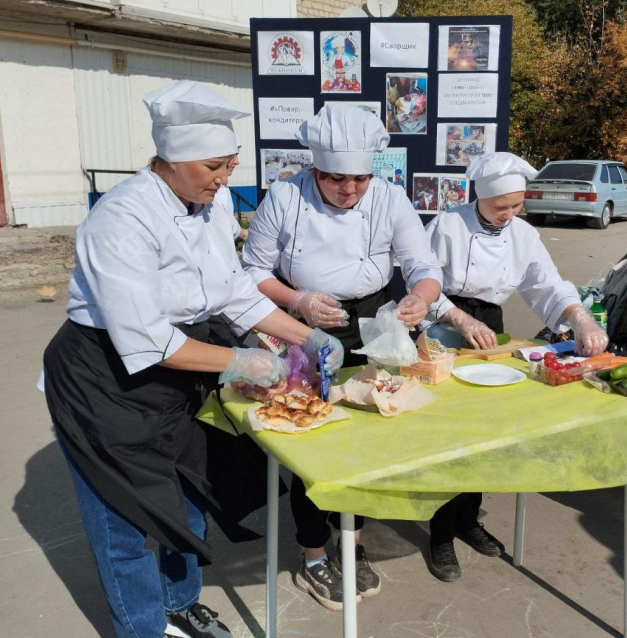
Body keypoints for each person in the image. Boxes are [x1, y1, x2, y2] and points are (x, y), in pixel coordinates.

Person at [43, 80, 343, 638]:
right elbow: (147, 338)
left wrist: (302, 335)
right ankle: (142, 628)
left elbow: (232, 290)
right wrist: (243, 363)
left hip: (181, 371)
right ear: (171, 161)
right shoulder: (122, 217)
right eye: (213, 167)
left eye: (229, 164)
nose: (225, 178)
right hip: (103, 378)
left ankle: (180, 602)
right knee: (122, 520)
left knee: (189, 490)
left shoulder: (213, 202)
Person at [242, 105, 443, 610]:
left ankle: (352, 541)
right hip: (302, 320)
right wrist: (298, 300)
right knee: (310, 436)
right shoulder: (286, 196)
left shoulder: (390, 198)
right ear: (314, 169)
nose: (348, 189)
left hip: (373, 320)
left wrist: (419, 295)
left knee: (368, 430)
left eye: (358, 178)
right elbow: (252, 271)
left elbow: (424, 265)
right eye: (335, 178)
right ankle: (314, 553)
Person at [423, 152, 609, 583]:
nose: (508, 215)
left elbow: (545, 284)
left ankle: (467, 519)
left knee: (485, 433)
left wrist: (579, 316)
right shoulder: (448, 226)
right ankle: (440, 534)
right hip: (443, 327)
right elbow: (422, 283)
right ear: (479, 198)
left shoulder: (522, 234)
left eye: (516, 206)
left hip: (490, 328)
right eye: (499, 207)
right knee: (447, 436)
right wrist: (457, 317)